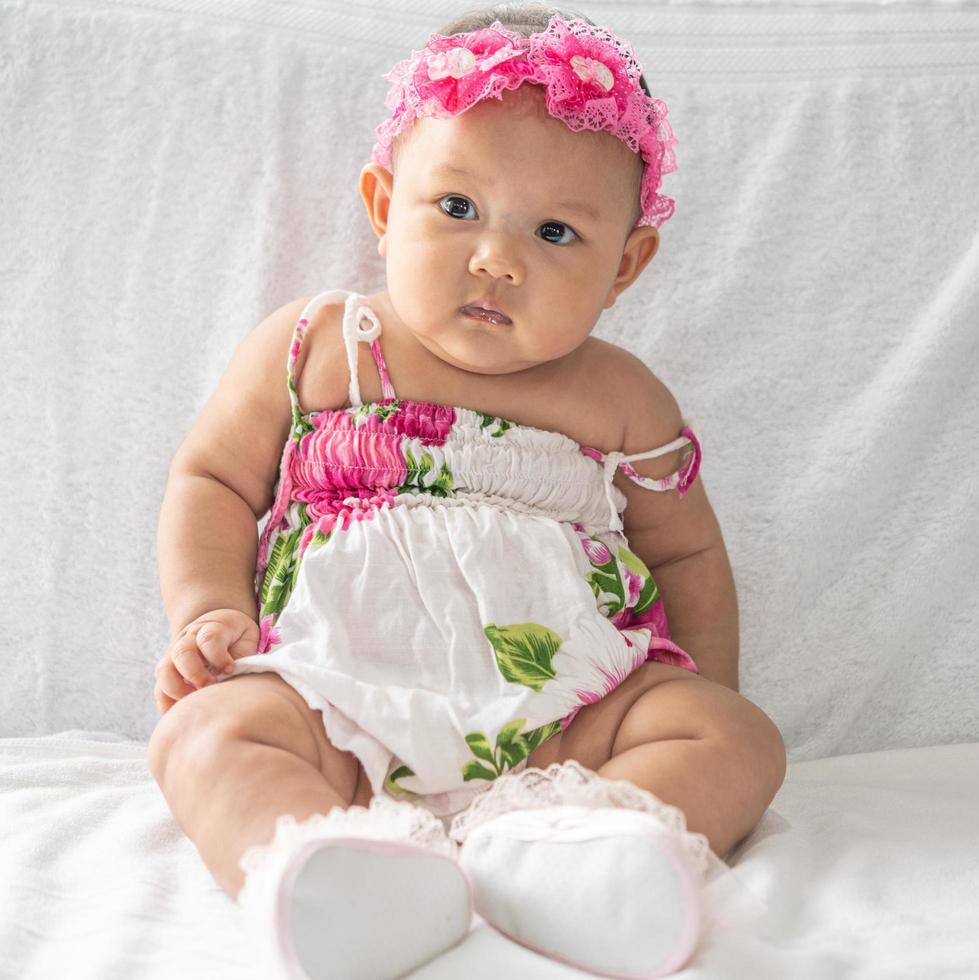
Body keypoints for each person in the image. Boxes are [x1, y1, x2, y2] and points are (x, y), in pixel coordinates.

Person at [147, 4, 786, 977]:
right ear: (382, 201)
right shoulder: (321, 344)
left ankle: (585, 855)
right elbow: (212, 480)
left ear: (625, 264)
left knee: (738, 738)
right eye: (456, 209)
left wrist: (700, 698)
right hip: (335, 697)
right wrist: (209, 610)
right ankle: (333, 873)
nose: (497, 258)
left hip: (566, 715)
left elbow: (689, 550)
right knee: (204, 733)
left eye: (557, 231)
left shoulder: (621, 395)